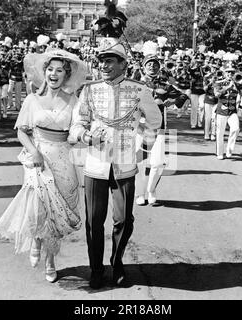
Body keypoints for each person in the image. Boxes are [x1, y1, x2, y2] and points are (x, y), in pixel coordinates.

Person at [69, 37, 162, 289]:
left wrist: (144, 149)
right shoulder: (90, 89)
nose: (104, 65)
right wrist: (86, 136)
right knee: (93, 221)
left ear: (124, 64)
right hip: (96, 163)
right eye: (101, 61)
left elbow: (154, 121)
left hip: (124, 164)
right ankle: (96, 269)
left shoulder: (140, 90)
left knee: (123, 219)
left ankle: (117, 262)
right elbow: (76, 125)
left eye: (110, 60)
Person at [0, 49, 86, 282]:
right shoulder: (32, 100)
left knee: (57, 213)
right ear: (44, 72)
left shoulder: (74, 100)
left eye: (60, 70)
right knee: (38, 208)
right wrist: (34, 152)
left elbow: (76, 130)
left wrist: (86, 136)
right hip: (37, 160)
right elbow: (21, 132)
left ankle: (50, 261)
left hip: (63, 160)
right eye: (50, 69)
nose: (54, 74)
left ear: (67, 75)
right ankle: (36, 241)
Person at [136, 53, 188, 206]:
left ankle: (151, 190)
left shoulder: (164, 85)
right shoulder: (135, 83)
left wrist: (170, 101)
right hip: (140, 127)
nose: (152, 67)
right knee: (139, 163)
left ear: (159, 68)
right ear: (144, 67)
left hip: (158, 128)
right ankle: (139, 193)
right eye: (149, 64)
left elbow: (183, 96)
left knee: (158, 163)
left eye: (155, 64)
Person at [214, 62, 241, 160]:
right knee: (220, 132)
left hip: (232, 111)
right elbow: (216, 94)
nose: (230, 74)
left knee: (235, 128)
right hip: (221, 111)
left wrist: (238, 85)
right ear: (225, 73)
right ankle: (219, 153)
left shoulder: (237, 84)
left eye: (232, 73)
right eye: (228, 72)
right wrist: (227, 88)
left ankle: (229, 150)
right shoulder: (218, 83)